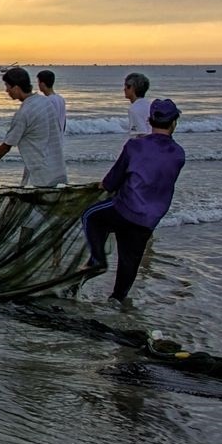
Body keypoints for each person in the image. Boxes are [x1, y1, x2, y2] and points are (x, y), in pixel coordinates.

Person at [82, 99, 185, 303]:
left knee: (90, 215)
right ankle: (117, 300)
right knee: (130, 261)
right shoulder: (179, 154)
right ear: (174, 122)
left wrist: (101, 185)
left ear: (149, 120)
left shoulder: (135, 146)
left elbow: (112, 182)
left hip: (124, 208)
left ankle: (97, 259)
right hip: (149, 219)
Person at [0, 67, 66, 186]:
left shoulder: (24, 113)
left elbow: (6, 146)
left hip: (41, 177)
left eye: (7, 86)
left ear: (16, 87)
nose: (6, 90)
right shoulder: (45, 102)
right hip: (58, 169)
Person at [37, 70, 66, 134]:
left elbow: (47, 122)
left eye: (38, 82)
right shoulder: (60, 99)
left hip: (51, 139)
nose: (38, 85)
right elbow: (64, 121)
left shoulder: (47, 101)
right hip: (60, 138)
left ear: (42, 84)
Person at [124, 72, 151, 139]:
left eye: (127, 86)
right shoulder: (149, 104)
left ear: (133, 88)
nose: (124, 89)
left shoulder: (134, 109)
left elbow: (140, 134)